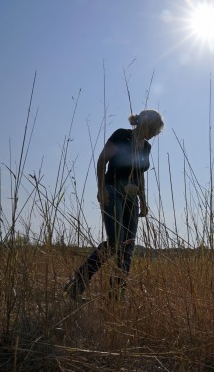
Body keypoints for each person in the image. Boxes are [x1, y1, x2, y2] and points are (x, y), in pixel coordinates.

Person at [64, 109, 164, 301]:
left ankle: (116, 295)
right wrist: (101, 189)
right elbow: (102, 160)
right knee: (115, 242)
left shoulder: (147, 147)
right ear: (147, 125)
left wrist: (143, 201)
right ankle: (75, 286)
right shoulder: (121, 135)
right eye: (155, 130)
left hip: (131, 197)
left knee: (127, 246)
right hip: (113, 191)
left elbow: (139, 174)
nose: (155, 135)